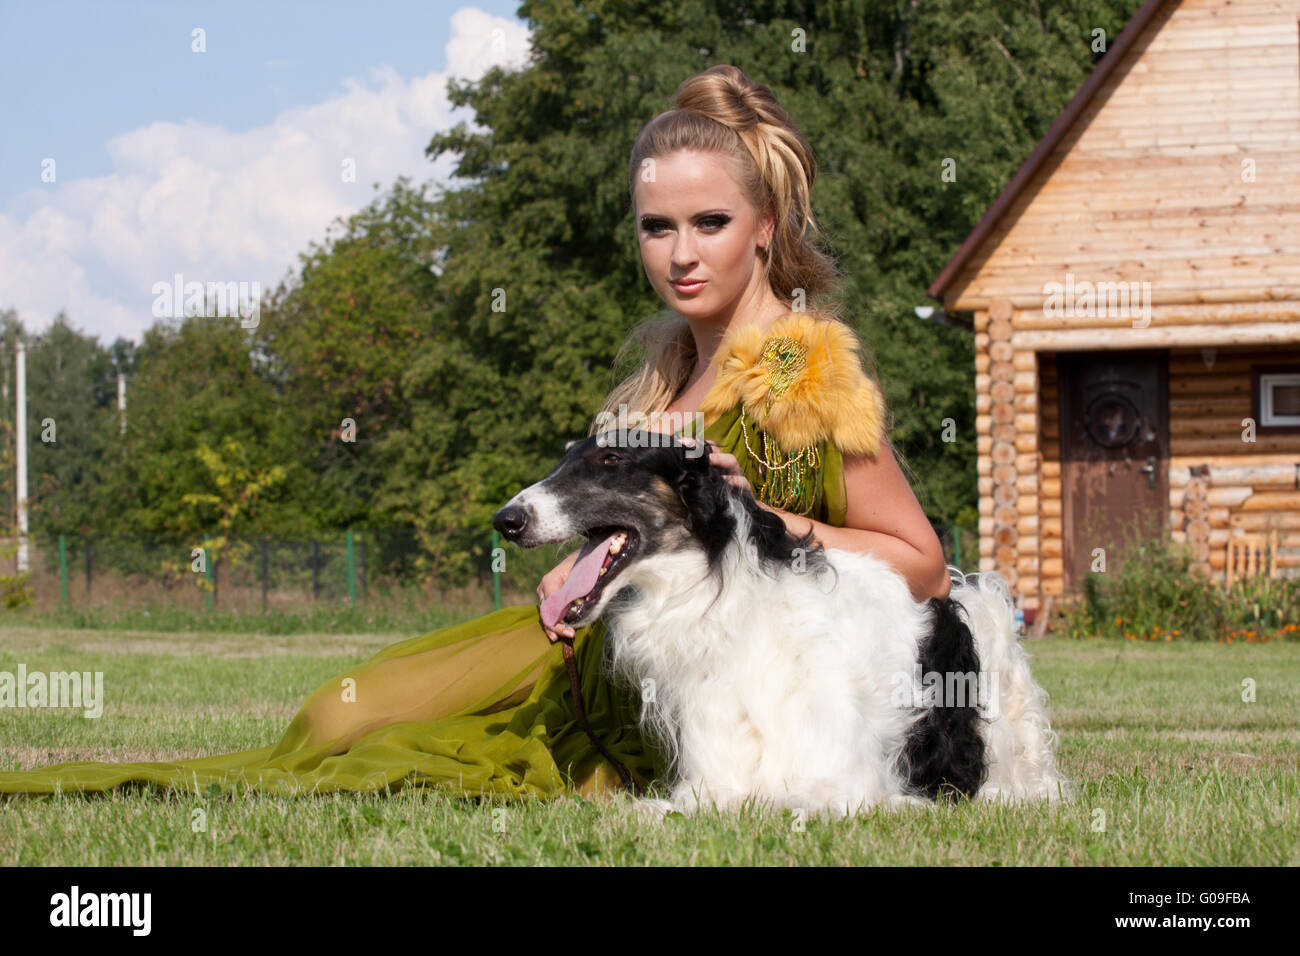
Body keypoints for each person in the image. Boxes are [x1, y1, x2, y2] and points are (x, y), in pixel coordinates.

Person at [0, 65, 949, 801]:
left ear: (765, 225)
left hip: (689, 693)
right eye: (657, 226)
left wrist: (759, 516)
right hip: (585, 642)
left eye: (711, 221)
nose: (683, 253)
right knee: (339, 714)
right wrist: (589, 563)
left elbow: (920, 563)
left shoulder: (800, 369)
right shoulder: (665, 365)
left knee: (374, 742)